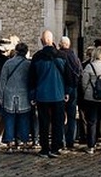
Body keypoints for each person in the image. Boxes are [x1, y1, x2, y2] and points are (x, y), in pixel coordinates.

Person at [29, 30, 70, 159]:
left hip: (42, 95)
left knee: (44, 123)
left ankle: (44, 148)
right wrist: (67, 91)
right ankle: (55, 148)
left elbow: (32, 78)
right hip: (58, 94)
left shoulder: (37, 57)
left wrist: (32, 95)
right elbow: (67, 76)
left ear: (42, 41)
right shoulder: (61, 56)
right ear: (52, 41)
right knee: (57, 122)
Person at [0, 42, 31, 151]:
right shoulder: (28, 64)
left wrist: (0, 96)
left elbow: (3, 81)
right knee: (24, 120)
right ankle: (24, 143)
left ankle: (10, 144)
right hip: (24, 94)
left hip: (9, 93)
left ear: (16, 51)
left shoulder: (8, 63)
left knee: (9, 119)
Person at [58, 36, 82, 150]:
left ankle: (60, 140)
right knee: (72, 117)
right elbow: (80, 72)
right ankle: (70, 141)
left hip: (62, 89)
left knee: (60, 116)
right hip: (74, 88)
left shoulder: (60, 56)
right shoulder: (75, 57)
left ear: (61, 45)